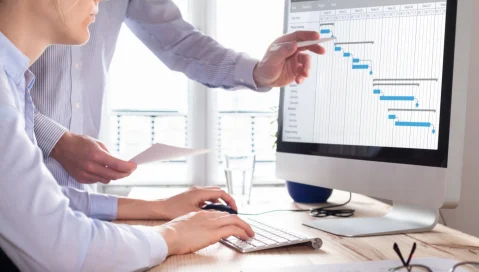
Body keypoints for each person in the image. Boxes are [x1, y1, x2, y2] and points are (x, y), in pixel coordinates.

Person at [0, 0, 256, 270]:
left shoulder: (13, 83)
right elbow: (62, 248)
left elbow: (35, 202)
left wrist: (159, 207)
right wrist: (173, 235)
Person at [30, 0, 326, 221]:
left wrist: (259, 72)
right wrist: (54, 140)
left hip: (80, 203)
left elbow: (178, 41)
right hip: (18, 183)